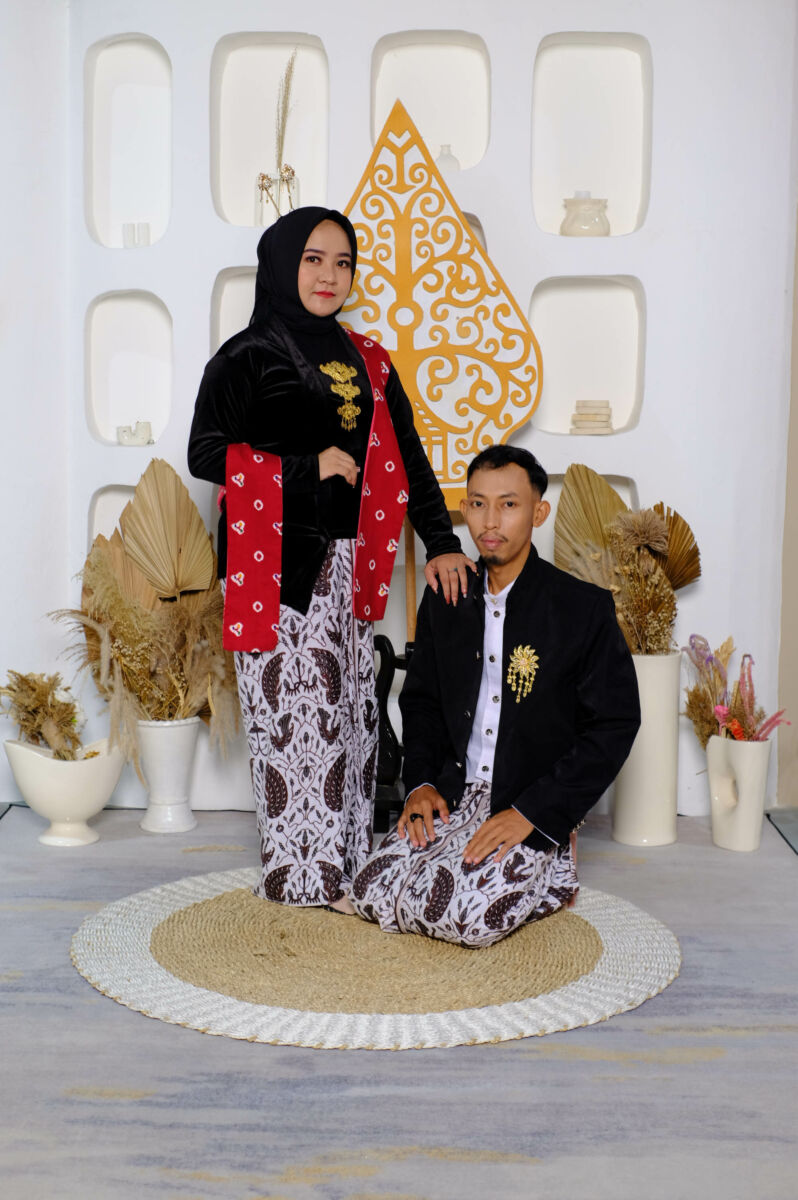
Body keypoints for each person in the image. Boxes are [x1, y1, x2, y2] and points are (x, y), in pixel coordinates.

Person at [188, 206, 474, 913]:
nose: (329, 276)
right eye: (314, 259)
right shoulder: (245, 356)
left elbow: (408, 457)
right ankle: (300, 879)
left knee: (348, 720)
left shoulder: (368, 359)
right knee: (293, 724)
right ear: (284, 263)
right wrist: (303, 468)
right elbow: (205, 453)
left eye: (343, 263)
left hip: (351, 563)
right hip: (276, 567)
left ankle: (344, 873)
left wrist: (442, 541)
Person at [350, 443, 641, 946]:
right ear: (464, 509)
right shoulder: (446, 597)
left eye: (508, 504)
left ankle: (553, 866)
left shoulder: (581, 609)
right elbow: (420, 701)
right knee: (368, 891)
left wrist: (536, 812)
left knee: (469, 919)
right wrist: (420, 784)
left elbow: (614, 724)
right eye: (478, 504)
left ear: (537, 512)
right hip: (454, 790)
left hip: (528, 798)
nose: (491, 521)